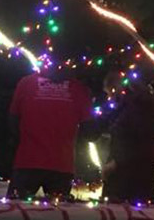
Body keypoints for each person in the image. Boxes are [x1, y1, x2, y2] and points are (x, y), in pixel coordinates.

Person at [7, 70, 93, 198]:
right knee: (57, 215)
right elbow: (89, 131)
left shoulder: (26, 83)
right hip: (62, 165)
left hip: (27, 161)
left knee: (16, 213)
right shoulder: (79, 89)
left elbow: (13, 120)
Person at [101, 72, 154, 204]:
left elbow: (136, 142)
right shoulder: (140, 107)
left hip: (127, 178)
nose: (108, 98)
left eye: (109, 93)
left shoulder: (131, 111)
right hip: (141, 175)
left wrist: (116, 163)